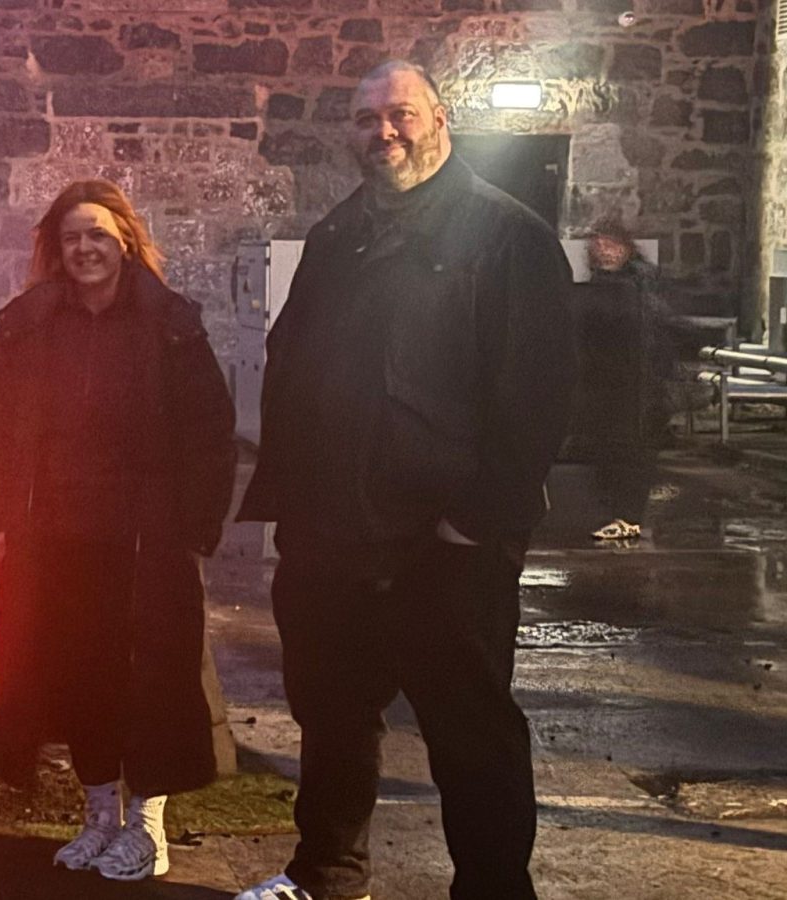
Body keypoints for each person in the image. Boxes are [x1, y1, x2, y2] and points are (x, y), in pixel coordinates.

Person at [234, 61, 577, 900]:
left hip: (444, 551)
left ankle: (494, 891)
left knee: (471, 738)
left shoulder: (507, 237)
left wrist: (471, 524)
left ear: (440, 118)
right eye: (364, 119)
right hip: (333, 542)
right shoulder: (337, 235)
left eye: (399, 115)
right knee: (333, 723)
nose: (382, 132)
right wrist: (295, 515)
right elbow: (293, 364)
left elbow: (538, 397)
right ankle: (324, 875)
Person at [0, 179, 237, 882]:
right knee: (77, 680)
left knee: (148, 684)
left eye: (97, 233)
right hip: (54, 540)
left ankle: (149, 829)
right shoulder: (30, 328)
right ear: (55, 250)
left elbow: (211, 434)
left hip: (147, 543)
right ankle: (99, 817)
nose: (84, 248)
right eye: (70, 237)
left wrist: (196, 534)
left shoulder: (170, 326)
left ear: (124, 239)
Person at [583, 218, 675, 541]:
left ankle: (628, 517)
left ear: (625, 248)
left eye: (611, 245)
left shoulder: (637, 285)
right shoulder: (607, 283)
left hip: (636, 387)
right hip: (612, 386)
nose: (605, 252)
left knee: (630, 452)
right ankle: (622, 514)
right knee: (612, 451)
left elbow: (653, 334)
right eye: (600, 245)